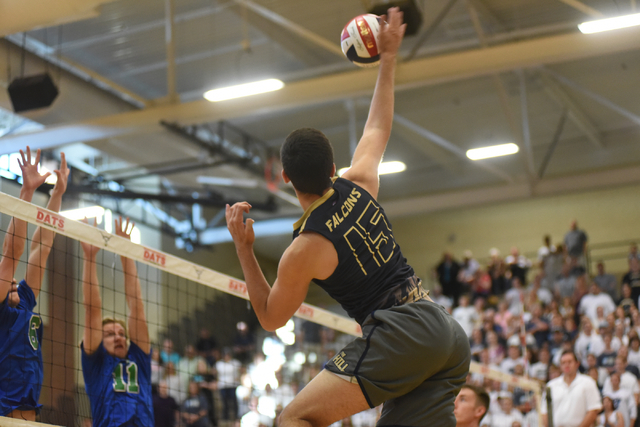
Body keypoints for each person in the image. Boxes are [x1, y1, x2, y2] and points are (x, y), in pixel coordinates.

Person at [225, 8, 470, 427]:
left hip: (401, 339)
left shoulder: (303, 249)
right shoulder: (358, 182)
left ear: (285, 178)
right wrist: (389, 58)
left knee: (292, 419)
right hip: (443, 330)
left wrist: (244, 249)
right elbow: (377, 127)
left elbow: (269, 317)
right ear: (333, 164)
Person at [0, 147, 68, 420]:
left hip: (29, 408)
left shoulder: (26, 302)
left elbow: (43, 245)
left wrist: (57, 195)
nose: (14, 282)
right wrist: (25, 193)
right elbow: (12, 253)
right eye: (8, 281)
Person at [80, 217, 153, 427]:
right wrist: (89, 256)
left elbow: (136, 307)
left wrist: (125, 253)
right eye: (110, 334)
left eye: (121, 333)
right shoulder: (96, 363)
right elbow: (92, 310)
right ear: (100, 342)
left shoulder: (138, 359)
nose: (119, 337)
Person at [541, 350, 602, 427]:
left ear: (577, 364)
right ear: (560, 366)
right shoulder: (551, 386)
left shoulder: (588, 382)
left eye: (569, 362)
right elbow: (545, 412)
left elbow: (593, 410)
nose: (566, 365)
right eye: (563, 363)